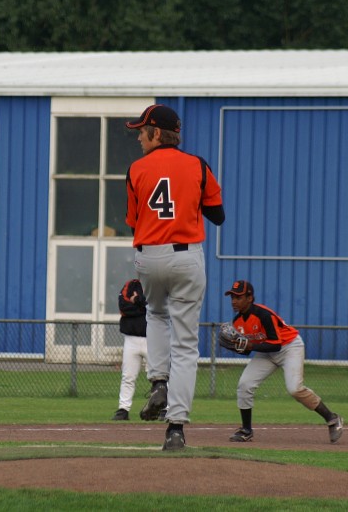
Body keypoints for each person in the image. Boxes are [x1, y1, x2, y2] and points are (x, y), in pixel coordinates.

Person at [125, 104, 225, 451]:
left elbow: (134, 222)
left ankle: (158, 381)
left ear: (157, 133)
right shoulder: (198, 165)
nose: (139, 137)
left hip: (148, 254)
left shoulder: (136, 169)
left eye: (142, 131)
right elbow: (218, 215)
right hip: (186, 256)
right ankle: (176, 428)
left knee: (155, 314)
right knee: (185, 345)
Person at [223, 280, 344, 444]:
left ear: (249, 298)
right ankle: (246, 430)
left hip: (289, 347)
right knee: (245, 384)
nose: (234, 301)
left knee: (295, 389)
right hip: (267, 352)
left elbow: (276, 344)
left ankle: (332, 419)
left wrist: (250, 345)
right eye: (232, 297)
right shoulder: (237, 322)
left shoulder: (263, 314)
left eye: (238, 297)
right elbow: (247, 349)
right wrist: (234, 346)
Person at [111, 278, 149, 421]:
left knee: (159, 377)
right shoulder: (131, 285)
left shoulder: (157, 284)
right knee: (128, 376)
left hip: (153, 340)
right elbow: (123, 307)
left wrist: (137, 300)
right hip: (131, 339)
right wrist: (143, 306)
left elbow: (157, 308)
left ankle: (165, 408)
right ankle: (123, 409)